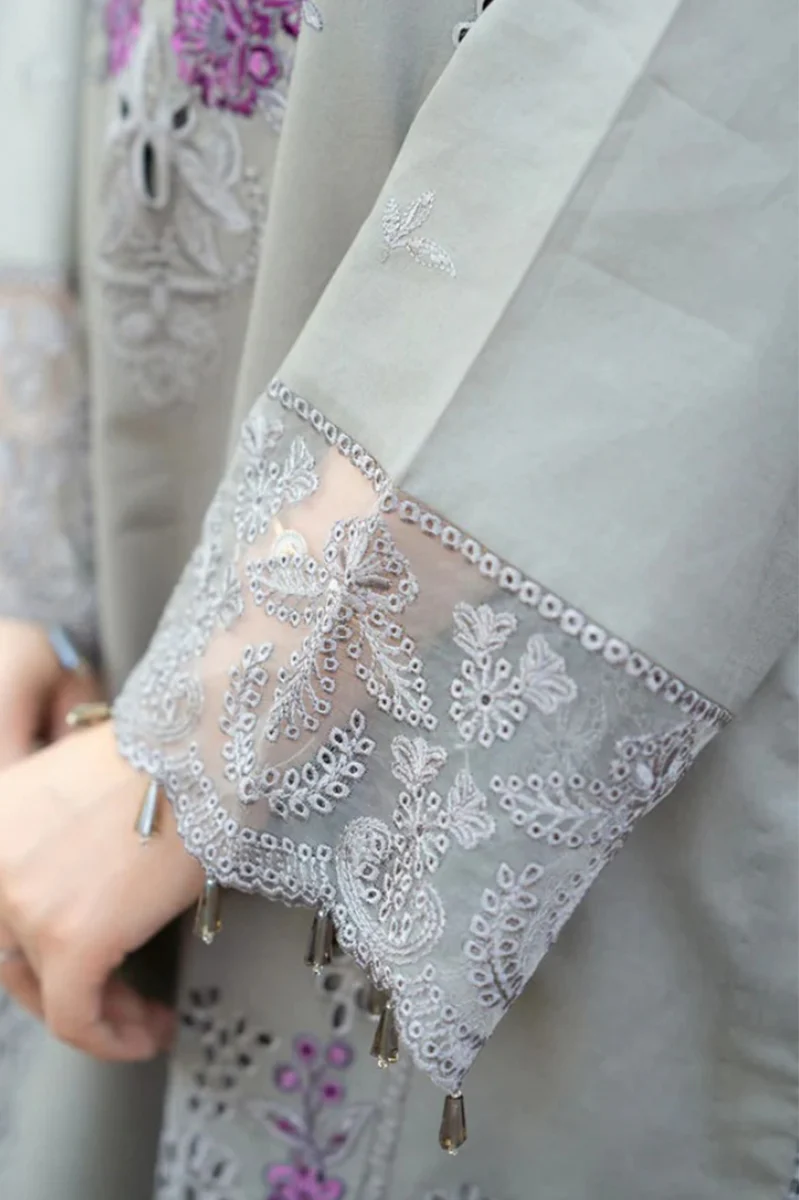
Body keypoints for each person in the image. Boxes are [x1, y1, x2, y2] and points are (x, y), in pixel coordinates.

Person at [0, 0, 796, 1197]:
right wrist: (25, 575)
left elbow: (690, 108)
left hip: (545, 542)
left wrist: (200, 735)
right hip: (128, 512)